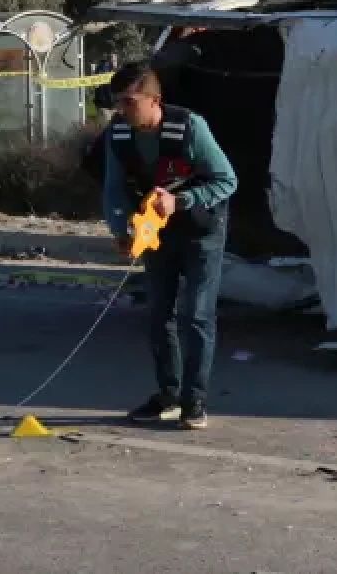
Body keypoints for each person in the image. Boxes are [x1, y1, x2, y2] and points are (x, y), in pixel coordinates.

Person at [101, 62, 238, 430]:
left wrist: (182, 200)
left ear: (153, 100)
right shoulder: (118, 135)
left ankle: (196, 401)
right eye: (117, 103)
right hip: (155, 232)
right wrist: (120, 228)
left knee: (196, 314)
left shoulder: (190, 128)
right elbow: (113, 190)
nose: (122, 111)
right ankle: (168, 396)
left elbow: (227, 180)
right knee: (160, 315)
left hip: (201, 230)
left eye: (129, 102)